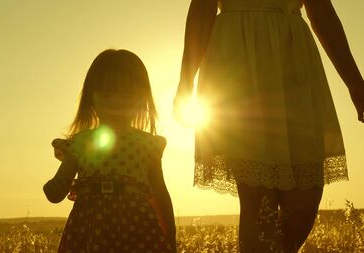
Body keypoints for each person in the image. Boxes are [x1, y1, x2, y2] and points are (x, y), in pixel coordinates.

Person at [174, 0, 364, 252]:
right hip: (237, 63)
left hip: (293, 60)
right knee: (257, 199)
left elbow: (322, 13)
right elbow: (201, 10)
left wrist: (355, 82)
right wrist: (186, 79)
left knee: (306, 197)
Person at [44, 49, 177, 253]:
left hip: (137, 224)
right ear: (91, 99)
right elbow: (62, 180)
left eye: (127, 97)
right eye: (107, 96)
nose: (117, 103)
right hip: (90, 225)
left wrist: (170, 235)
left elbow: (159, 191)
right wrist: (56, 186)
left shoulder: (148, 144)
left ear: (141, 100)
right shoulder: (81, 143)